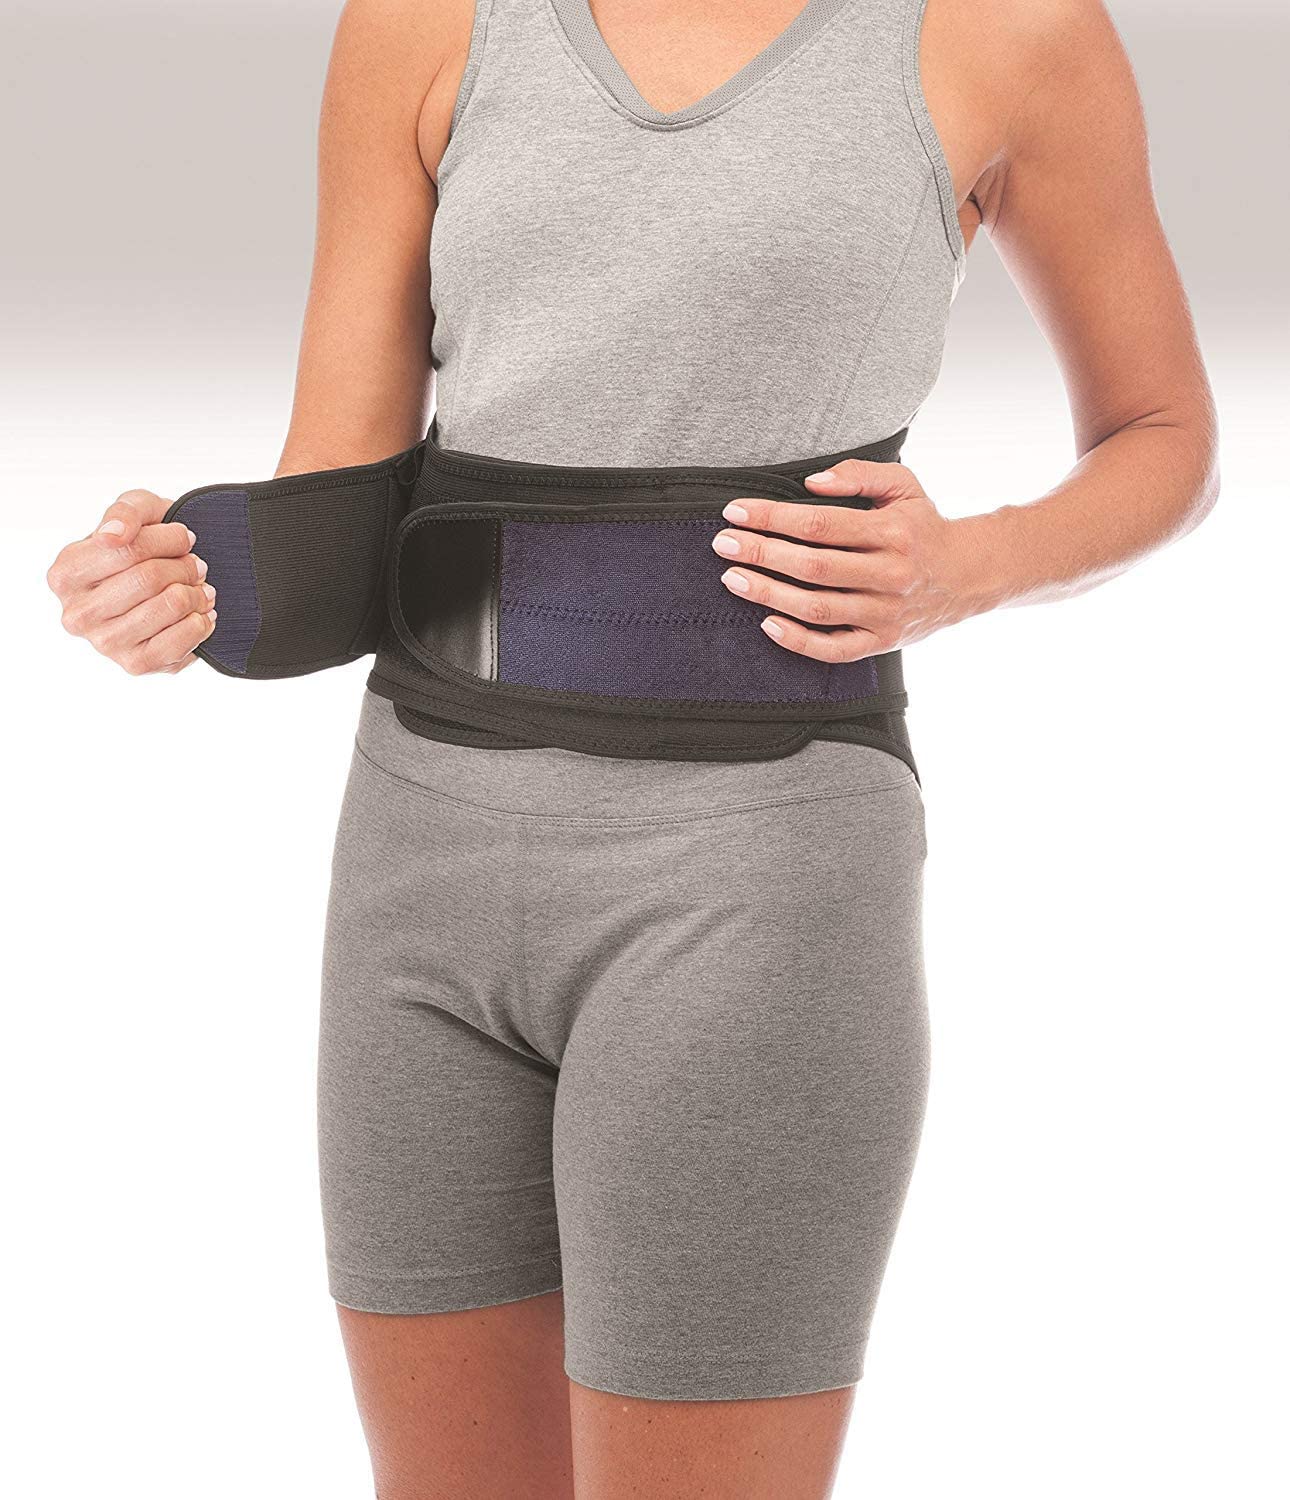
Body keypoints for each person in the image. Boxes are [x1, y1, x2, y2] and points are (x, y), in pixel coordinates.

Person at [45, 1, 1217, 1495]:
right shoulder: (421, 22)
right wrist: (182, 584)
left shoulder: (1002, 30)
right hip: (417, 867)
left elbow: (1165, 431)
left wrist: (972, 565)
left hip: (754, 878)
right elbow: (341, 496)